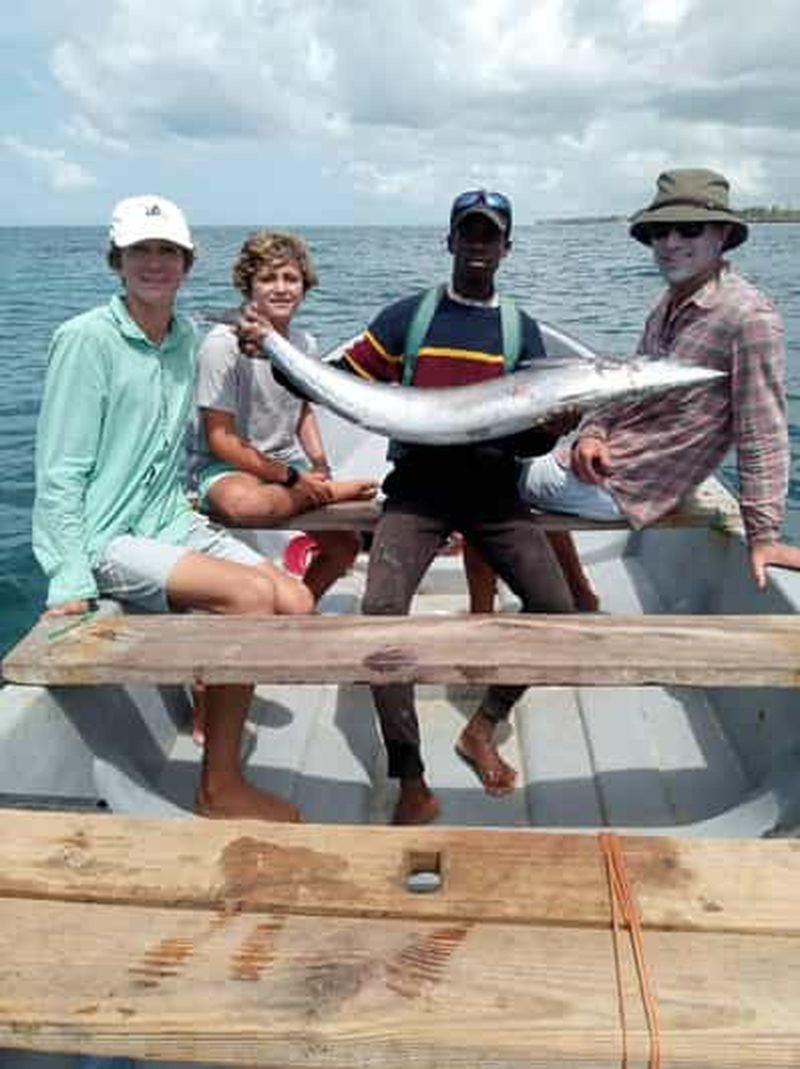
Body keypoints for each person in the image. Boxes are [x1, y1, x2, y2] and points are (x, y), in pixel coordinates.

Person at [247, 189, 577, 824]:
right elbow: (333, 381)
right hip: (419, 491)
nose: (478, 246)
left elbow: (529, 437)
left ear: (506, 248)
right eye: (468, 234)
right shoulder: (409, 318)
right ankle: (411, 776)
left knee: (556, 609)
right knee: (380, 615)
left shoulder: (521, 330)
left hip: (491, 491)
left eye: (491, 236)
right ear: (450, 241)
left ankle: (484, 724)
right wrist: (274, 350)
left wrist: (556, 429)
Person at [32, 194, 315, 824]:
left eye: (167, 252)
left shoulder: (188, 337)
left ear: (187, 264)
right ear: (117, 259)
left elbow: (239, 348)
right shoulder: (84, 341)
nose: (154, 263)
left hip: (169, 516)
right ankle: (219, 787)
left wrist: (258, 338)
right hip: (110, 533)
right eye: (140, 251)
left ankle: (205, 677)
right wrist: (68, 576)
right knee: (247, 598)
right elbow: (58, 471)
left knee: (294, 602)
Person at [519, 167, 793, 593]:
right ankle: (578, 592)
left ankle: (487, 619)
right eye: (660, 231)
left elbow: (763, 433)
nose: (671, 243)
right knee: (507, 458)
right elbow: (625, 392)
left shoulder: (748, 318)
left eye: (689, 229)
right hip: (607, 463)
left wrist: (764, 536)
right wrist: (592, 433)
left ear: (721, 235)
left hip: (634, 487)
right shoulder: (667, 304)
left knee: (486, 478)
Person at [187, 230, 377, 603]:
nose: (280, 288)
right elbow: (220, 440)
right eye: (267, 278)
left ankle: (297, 608)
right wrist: (297, 480)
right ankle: (325, 495)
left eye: (290, 278)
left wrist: (320, 463)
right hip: (227, 466)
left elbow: (301, 407)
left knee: (345, 547)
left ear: (305, 286)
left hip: (289, 464)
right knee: (245, 507)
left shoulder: (305, 344)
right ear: (248, 287)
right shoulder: (221, 344)